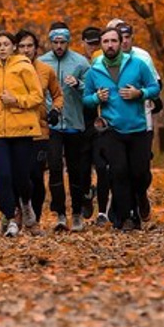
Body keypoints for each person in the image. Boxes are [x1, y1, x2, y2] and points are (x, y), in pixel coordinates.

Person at [82, 26, 161, 231]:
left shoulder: (138, 64)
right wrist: (96, 98)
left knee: (140, 174)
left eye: (114, 41)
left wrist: (140, 93)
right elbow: (86, 99)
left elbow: (155, 87)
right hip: (112, 129)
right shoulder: (95, 70)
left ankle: (140, 201)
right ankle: (126, 217)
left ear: (121, 43)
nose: (110, 45)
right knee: (119, 173)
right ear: (101, 45)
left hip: (137, 129)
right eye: (106, 41)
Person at [0, 30, 44, 237]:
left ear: (14, 46)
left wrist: (16, 100)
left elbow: (37, 97)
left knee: (21, 176)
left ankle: (26, 204)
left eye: (6, 44)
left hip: (22, 128)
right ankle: (10, 216)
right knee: (3, 175)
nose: (2, 48)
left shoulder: (24, 67)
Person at [40, 22, 92, 231]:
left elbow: (92, 92)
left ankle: (77, 212)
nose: (59, 45)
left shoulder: (80, 62)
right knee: (54, 169)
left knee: (76, 170)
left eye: (63, 42)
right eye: (55, 42)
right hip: (51, 125)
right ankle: (60, 214)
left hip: (74, 123)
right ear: (50, 42)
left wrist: (78, 85)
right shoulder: (42, 63)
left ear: (69, 42)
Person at [16, 29, 62, 233]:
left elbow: (58, 95)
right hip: (16, 130)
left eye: (30, 46)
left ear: (36, 48)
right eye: (22, 46)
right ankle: (19, 212)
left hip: (40, 129)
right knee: (20, 175)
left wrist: (56, 110)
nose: (26, 50)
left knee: (36, 175)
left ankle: (34, 217)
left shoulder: (45, 70)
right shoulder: (10, 70)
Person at [80, 25, 110, 225]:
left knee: (102, 167)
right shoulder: (79, 64)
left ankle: (103, 212)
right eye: (89, 44)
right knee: (82, 169)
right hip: (82, 123)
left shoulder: (106, 63)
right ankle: (86, 195)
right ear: (83, 44)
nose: (93, 47)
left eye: (96, 43)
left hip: (103, 124)